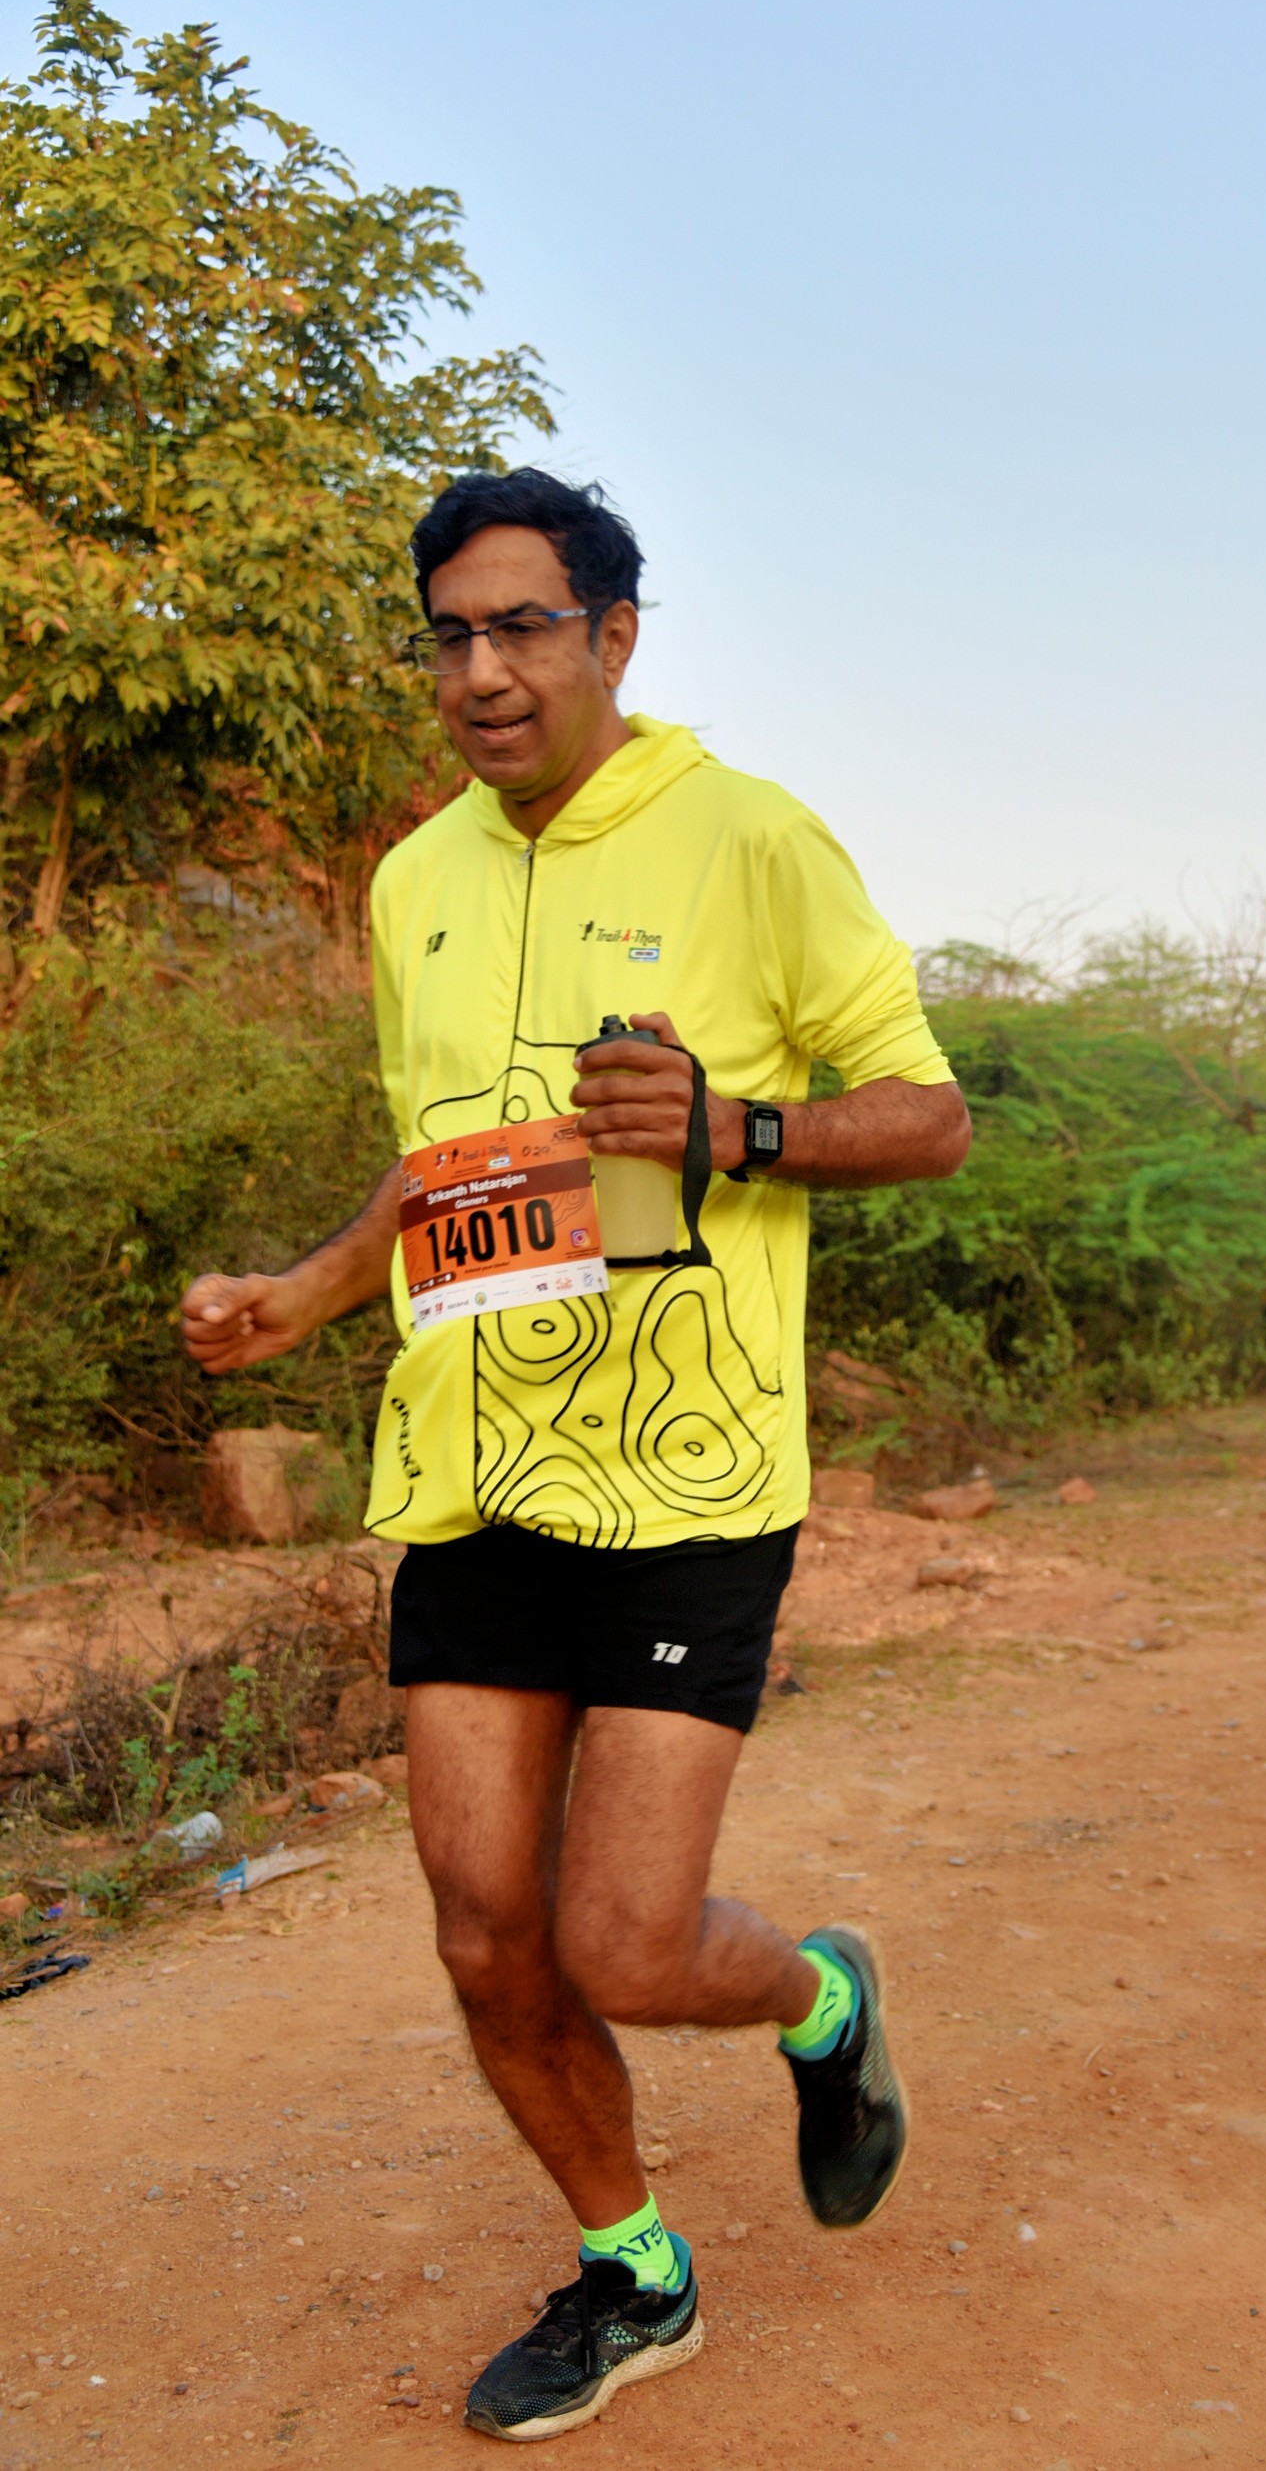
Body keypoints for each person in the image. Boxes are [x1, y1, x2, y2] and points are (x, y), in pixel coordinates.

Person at [180, 470, 971, 2442]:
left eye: (522, 625)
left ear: (613, 634)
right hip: (476, 1465)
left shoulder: (749, 836)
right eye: (448, 633)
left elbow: (926, 1111)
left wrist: (734, 1128)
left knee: (621, 1940)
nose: (481, 669)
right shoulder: (414, 878)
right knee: (483, 1930)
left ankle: (821, 1998)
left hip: (691, 1477)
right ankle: (636, 2272)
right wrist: (306, 1290)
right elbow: (446, 1155)